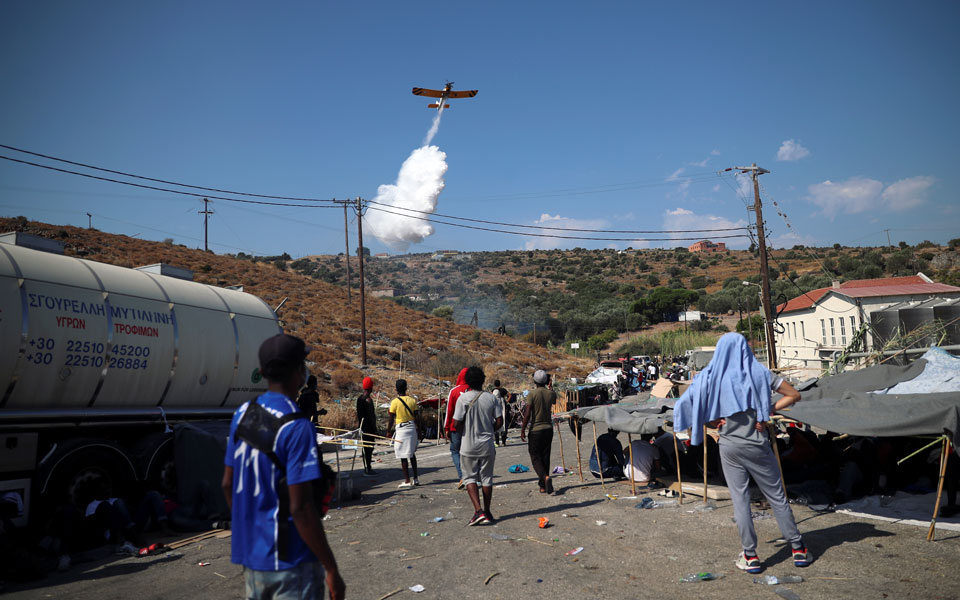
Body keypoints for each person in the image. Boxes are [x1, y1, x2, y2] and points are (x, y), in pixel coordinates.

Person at [674, 332, 811, 575]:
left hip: (729, 446)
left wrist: (714, 421)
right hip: (758, 444)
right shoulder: (759, 373)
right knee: (777, 497)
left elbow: (688, 405)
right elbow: (794, 395)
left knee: (741, 500)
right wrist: (765, 410)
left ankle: (751, 556)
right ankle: (798, 549)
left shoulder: (710, 377)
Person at [222, 333, 345, 600]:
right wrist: (331, 567)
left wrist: (251, 536)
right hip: (291, 561)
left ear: (263, 371)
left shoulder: (241, 415)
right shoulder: (297, 427)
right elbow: (300, 507)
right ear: (300, 372)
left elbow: (228, 484)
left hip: (253, 558)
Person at [452, 366, 503, 525]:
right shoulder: (491, 398)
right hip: (487, 444)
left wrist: (465, 432)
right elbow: (500, 422)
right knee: (487, 478)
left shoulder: (463, 399)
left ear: (467, 381)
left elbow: (456, 423)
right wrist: (489, 430)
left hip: (468, 445)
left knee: (469, 478)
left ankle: (478, 511)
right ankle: (487, 511)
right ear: (482, 380)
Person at [520, 369, 557, 494]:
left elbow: (527, 413)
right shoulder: (550, 393)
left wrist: (523, 429)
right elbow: (554, 400)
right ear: (546, 380)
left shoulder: (532, 394)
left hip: (536, 430)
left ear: (535, 381)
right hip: (548, 429)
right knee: (545, 456)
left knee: (535, 456)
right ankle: (543, 486)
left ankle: (544, 478)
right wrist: (550, 387)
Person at [387, 379, 420, 488]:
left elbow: (391, 419)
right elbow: (417, 417)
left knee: (403, 456)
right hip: (411, 428)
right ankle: (416, 478)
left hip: (401, 430)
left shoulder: (394, 402)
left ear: (396, 389)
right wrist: (419, 430)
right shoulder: (412, 401)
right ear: (406, 388)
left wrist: (388, 431)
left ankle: (407, 480)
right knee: (412, 454)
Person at [444, 368, 469, 488]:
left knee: (455, 451)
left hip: (455, 427)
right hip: (471, 428)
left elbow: (449, 411)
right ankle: (472, 476)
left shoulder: (454, 391)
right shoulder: (475, 390)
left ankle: (462, 476)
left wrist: (446, 427)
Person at [356, 377, 379, 476]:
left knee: (365, 448)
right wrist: (375, 428)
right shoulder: (368, 400)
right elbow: (371, 416)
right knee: (369, 448)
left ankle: (366, 466)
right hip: (369, 428)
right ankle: (368, 468)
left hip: (362, 427)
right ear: (371, 388)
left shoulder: (359, 399)